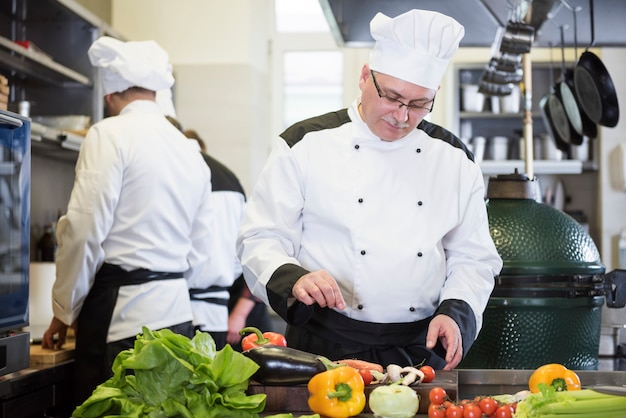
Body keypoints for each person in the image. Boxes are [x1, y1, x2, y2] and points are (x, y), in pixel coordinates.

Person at [237, 9, 503, 370]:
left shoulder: (454, 159)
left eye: (419, 104)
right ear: (364, 77)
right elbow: (260, 237)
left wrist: (457, 312)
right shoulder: (304, 144)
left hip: (419, 348)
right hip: (323, 345)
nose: (402, 115)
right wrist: (294, 279)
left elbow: (473, 257)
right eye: (392, 97)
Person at [41, 36, 214, 405]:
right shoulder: (189, 149)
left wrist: (63, 309)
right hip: (179, 319)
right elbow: (203, 251)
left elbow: (84, 230)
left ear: (110, 96)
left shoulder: (109, 133)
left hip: (123, 321)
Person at [182, 128, 247, 349]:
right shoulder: (230, 179)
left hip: (178, 312)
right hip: (216, 315)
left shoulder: (179, 173)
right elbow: (243, 255)